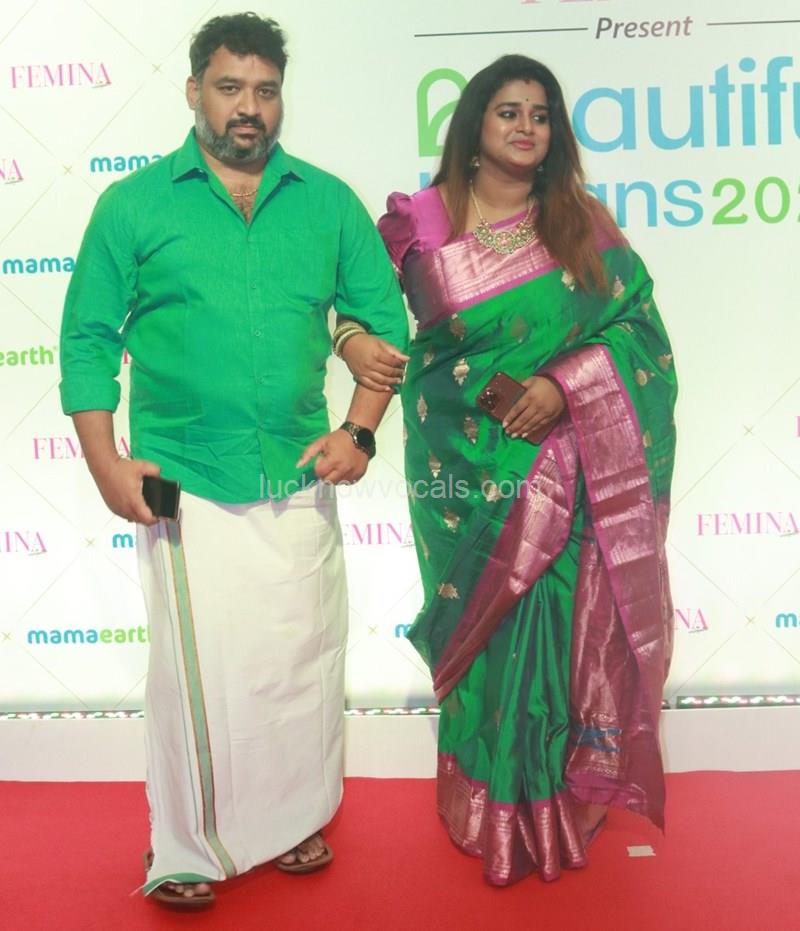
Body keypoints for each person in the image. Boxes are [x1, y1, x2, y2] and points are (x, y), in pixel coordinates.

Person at [59, 13, 407, 910]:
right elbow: (88, 338)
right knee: (193, 678)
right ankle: (182, 845)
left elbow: (380, 320)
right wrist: (105, 463)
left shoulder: (327, 202)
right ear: (193, 93)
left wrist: (360, 431)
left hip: (298, 469)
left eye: (264, 90)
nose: (248, 107)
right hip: (183, 477)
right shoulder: (134, 204)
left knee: (299, 663)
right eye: (229, 88)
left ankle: (291, 821)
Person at [339, 54, 677, 886]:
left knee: (558, 628)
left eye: (541, 114)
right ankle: (485, 802)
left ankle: (557, 799)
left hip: (565, 463)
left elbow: (639, 331)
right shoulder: (417, 222)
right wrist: (351, 342)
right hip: (460, 471)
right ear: (474, 125)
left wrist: (565, 386)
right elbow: (366, 314)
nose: (527, 127)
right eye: (508, 111)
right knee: (483, 634)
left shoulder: (580, 222)